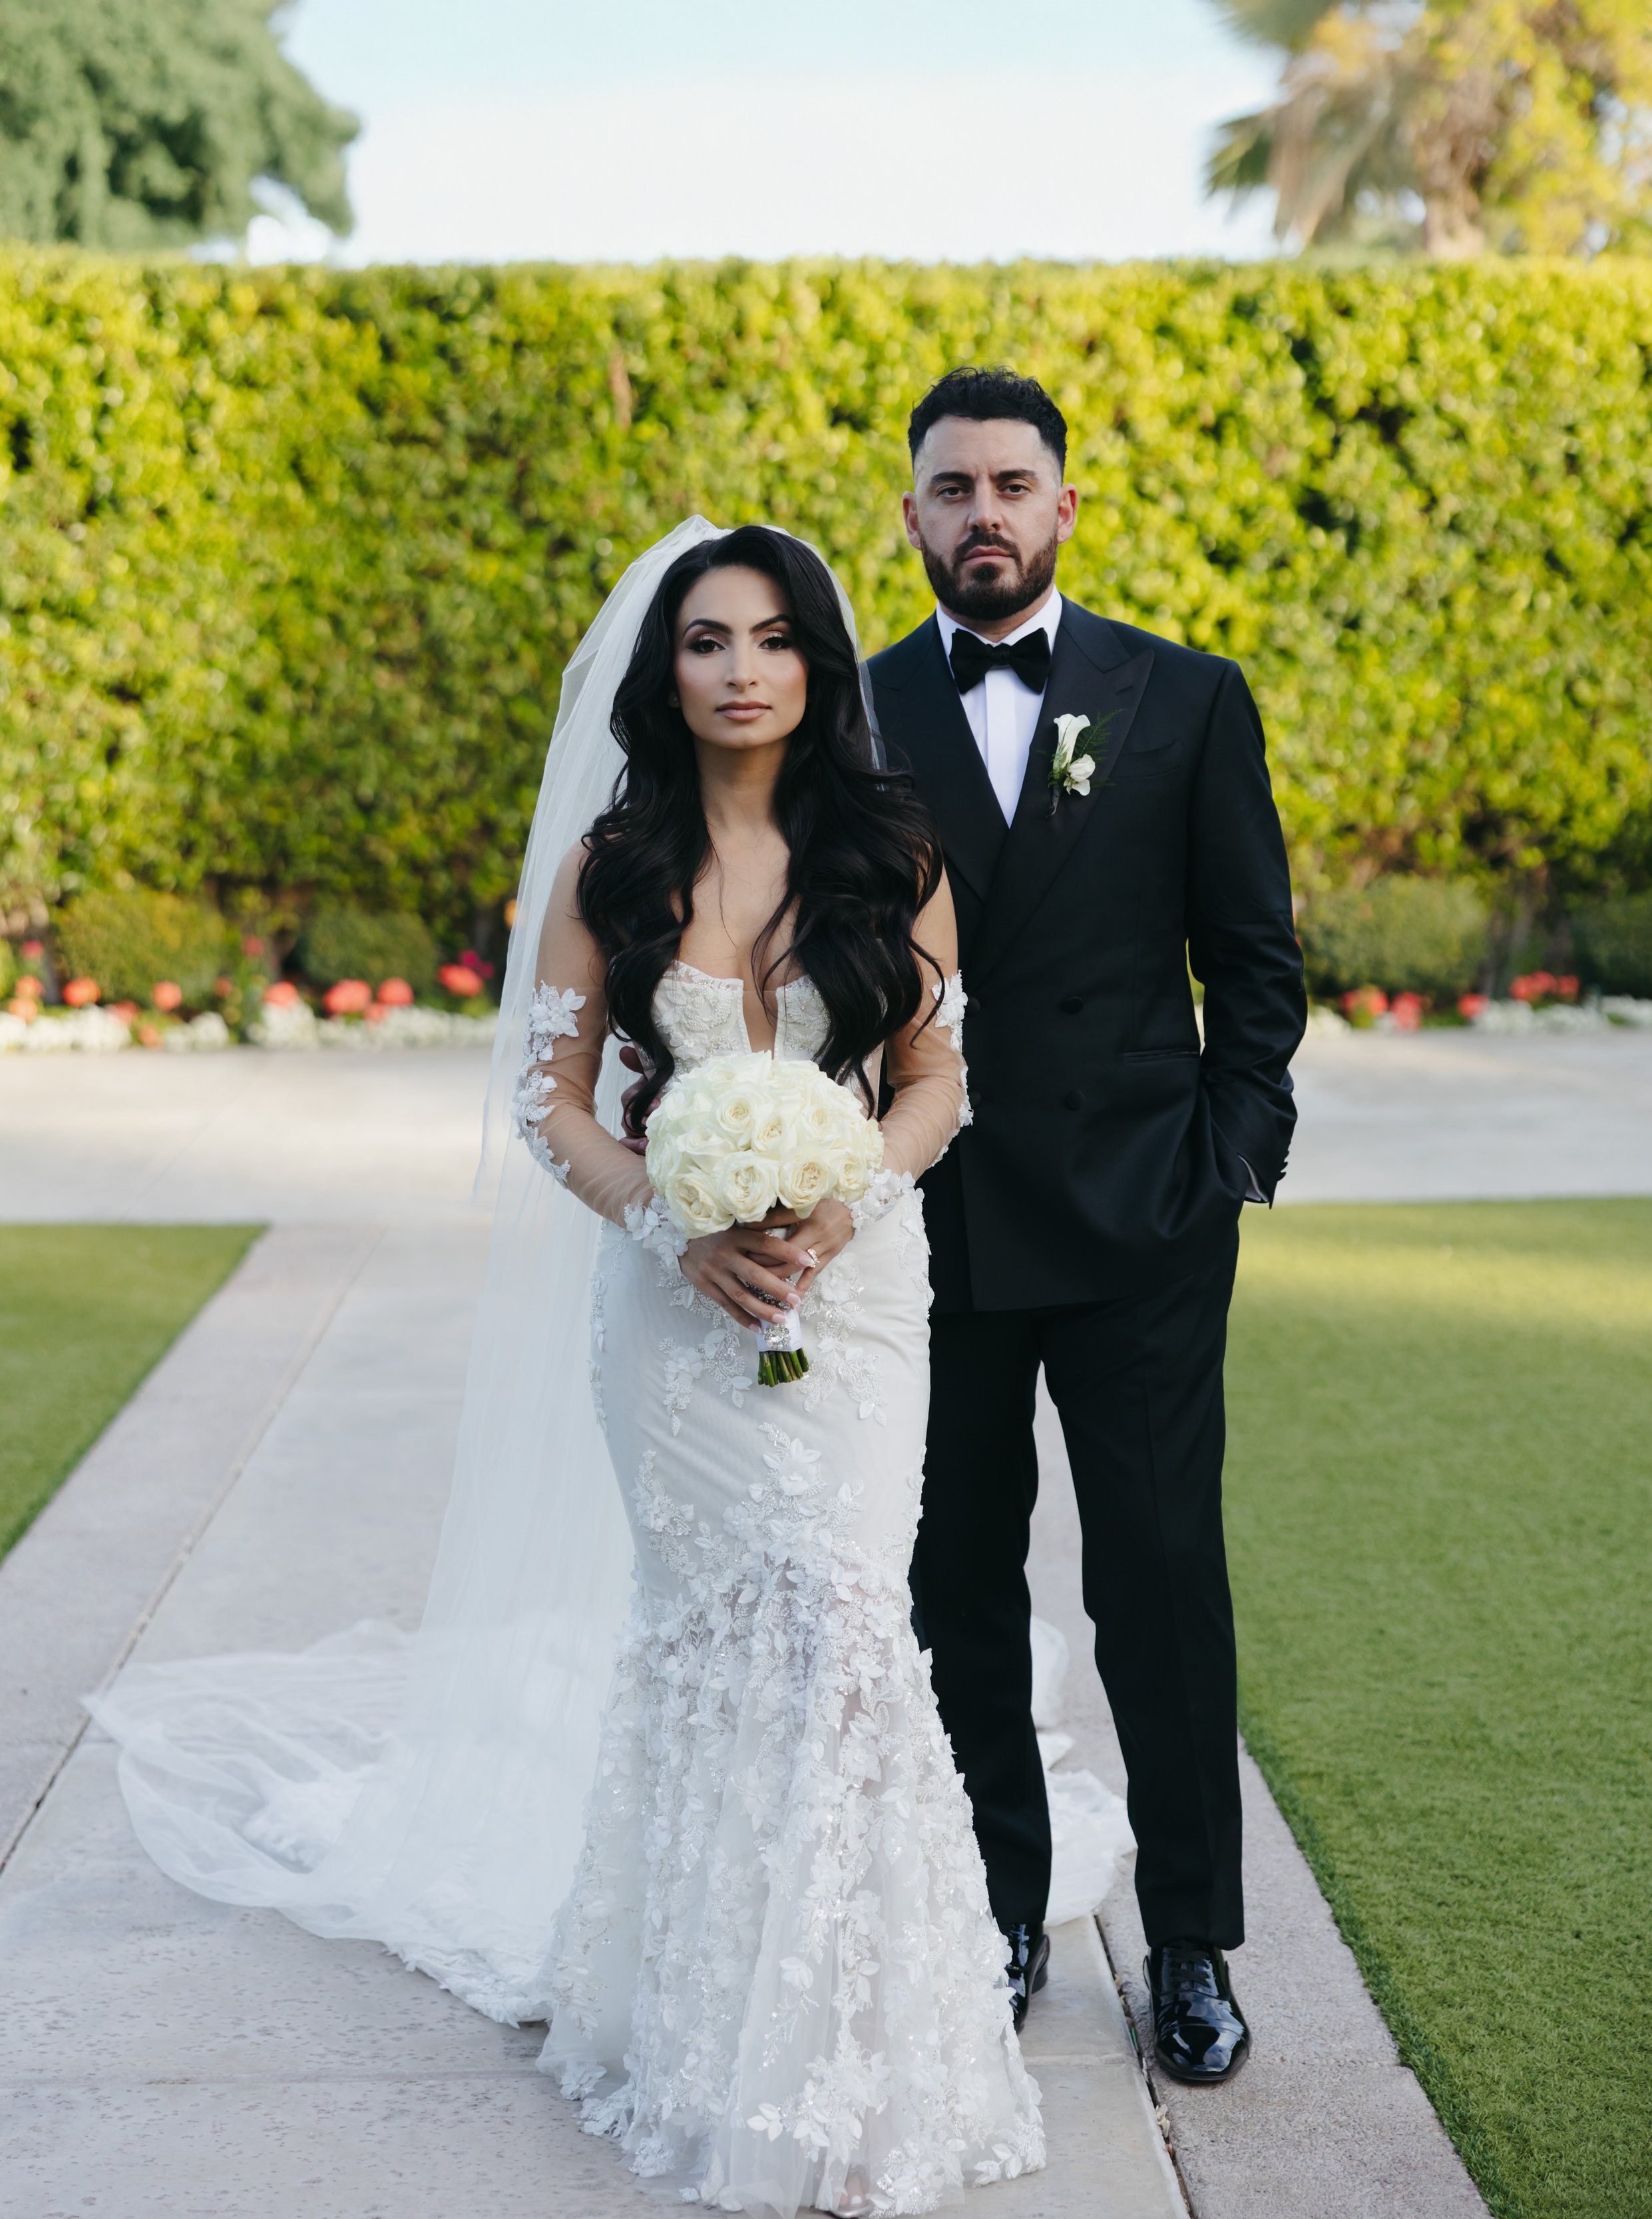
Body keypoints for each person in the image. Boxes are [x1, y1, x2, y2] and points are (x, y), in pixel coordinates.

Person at [92, 521, 1042, 2219]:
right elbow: (546, 1103)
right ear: (661, 669)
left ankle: (853, 2036)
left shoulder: (890, 850)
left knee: (839, 1626)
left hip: (855, 1303)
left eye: (769, 637)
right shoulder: (613, 862)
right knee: (715, 1640)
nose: (739, 667)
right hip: (671, 1318)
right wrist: (672, 1229)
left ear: (817, 663)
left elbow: (933, 1080)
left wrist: (841, 1202)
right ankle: (700, 2023)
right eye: (703, 639)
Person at [867, 370, 1307, 2081]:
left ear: (1065, 506)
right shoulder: (849, 707)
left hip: (1140, 1220)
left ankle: (1190, 1936)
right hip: (934, 1222)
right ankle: (995, 1903)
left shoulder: (1180, 695)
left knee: (1158, 1581)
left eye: (1011, 484)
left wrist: (1229, 1158)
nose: (982, 511)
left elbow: (1251, 955)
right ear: (906, 516)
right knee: (953, 1578)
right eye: (950, 486)